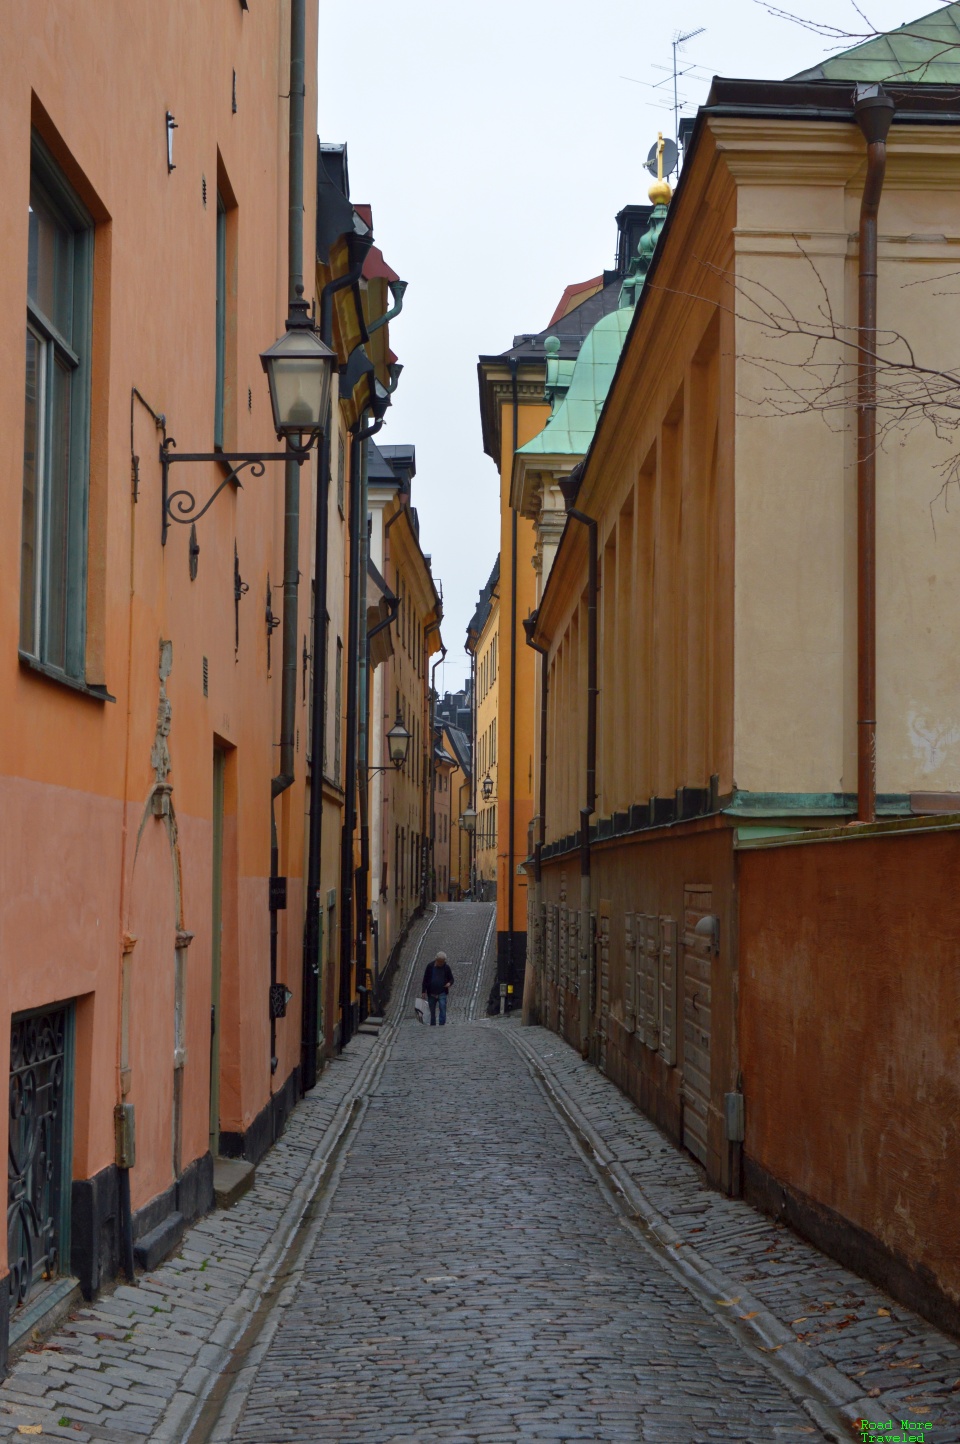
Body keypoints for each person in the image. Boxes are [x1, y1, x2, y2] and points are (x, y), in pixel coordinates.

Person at [421, 950, 454, 1026]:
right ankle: (433, 1025)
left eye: (442, 962)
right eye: (439, 962)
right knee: (431, 1011)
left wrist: (449, 983)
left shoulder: (446, 967)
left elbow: (451, 979)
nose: (441, 963)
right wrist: (423, 991)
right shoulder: (430, 966)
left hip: (442, 992)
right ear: (436, 960)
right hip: (431, 993)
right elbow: (425, 979)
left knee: (442, 1008)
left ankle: (441, 1025)